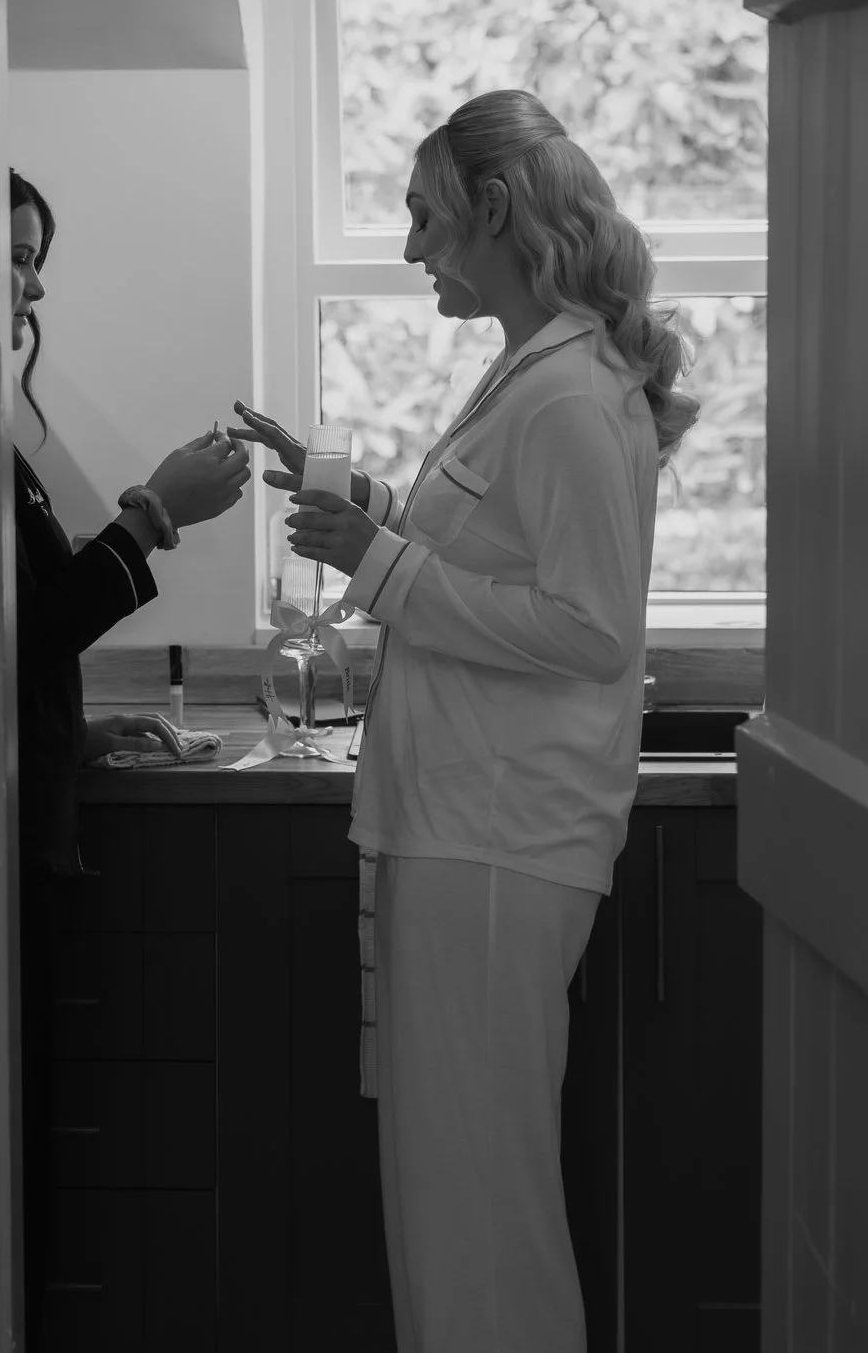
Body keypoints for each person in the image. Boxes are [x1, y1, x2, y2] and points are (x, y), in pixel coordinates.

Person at [230, 91, 695, 1353]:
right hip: (461, 828)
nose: (410, 247)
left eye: (424, 216)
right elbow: (490, 543)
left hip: (498, 837)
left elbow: (589, 627)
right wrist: (345, 494)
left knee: (478, 1195)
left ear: (494, 210)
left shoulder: (570, 396)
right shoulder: (531, 374)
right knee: (448, 1186)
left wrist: (372, 564)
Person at [7, 168, 248, 1346]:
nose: (35, 279)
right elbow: (24, 625)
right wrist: (153, 509)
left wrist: (81, 729)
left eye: (37, 254)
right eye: (15, 252)